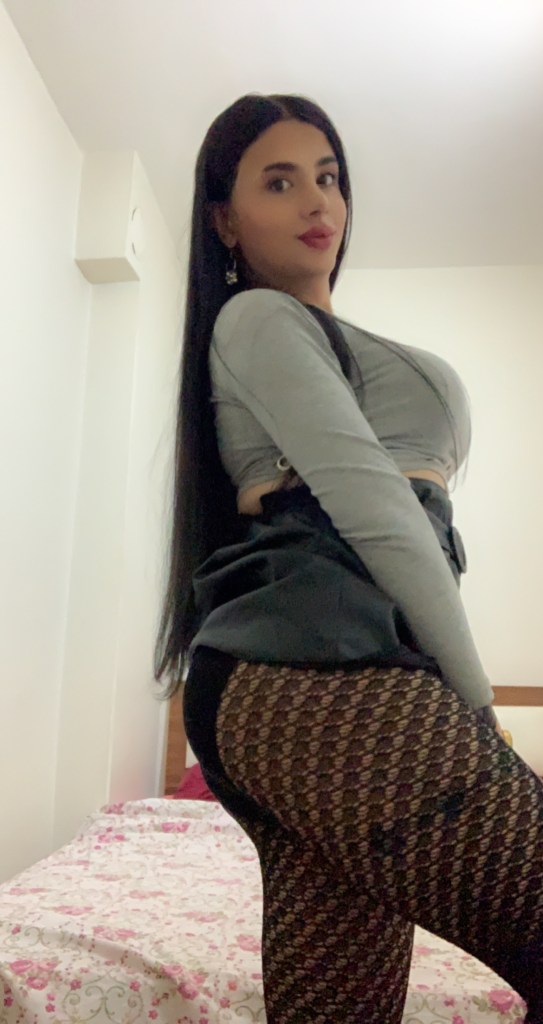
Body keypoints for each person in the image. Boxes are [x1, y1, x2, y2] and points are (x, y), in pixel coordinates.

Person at [154, 93, 543, 1023]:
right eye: (278, 181)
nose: (315, 200)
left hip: (307, 680)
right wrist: (474, 701)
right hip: (314, 665)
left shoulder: (320, 340)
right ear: (225, 220)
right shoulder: (256, 318)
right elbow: (374, 507)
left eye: (327, 176)